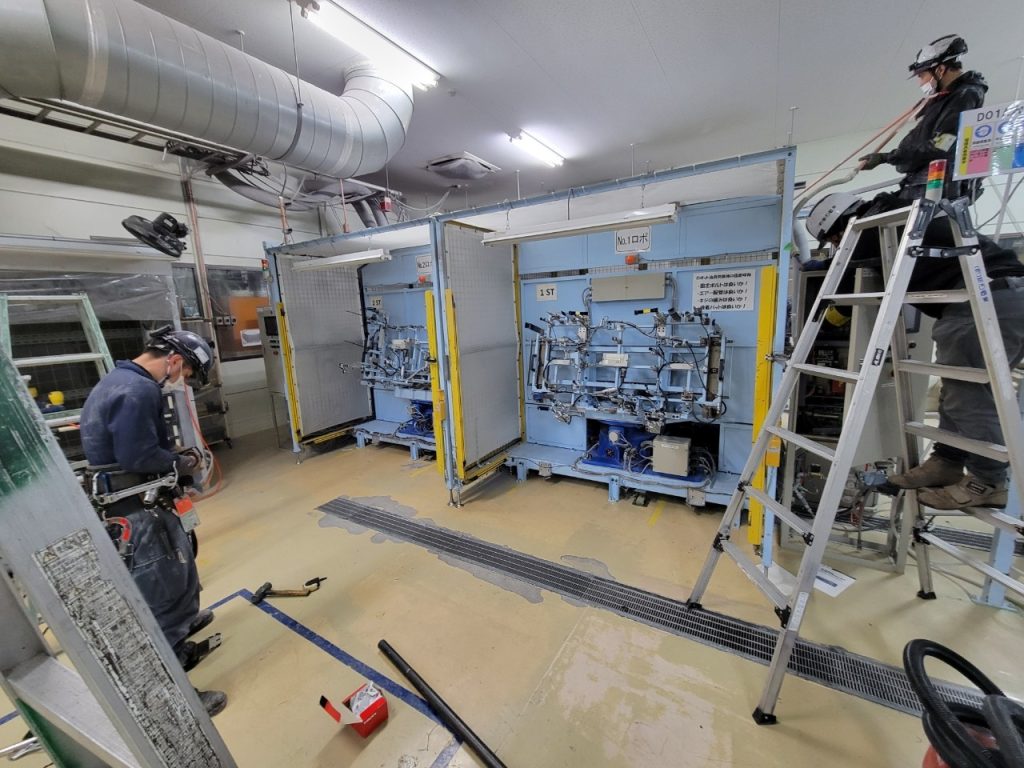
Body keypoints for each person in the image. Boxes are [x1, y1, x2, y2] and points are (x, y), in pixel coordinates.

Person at [805, 193, 1024, 509]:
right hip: (1006, 295)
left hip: (981, 300)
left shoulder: (871, 228)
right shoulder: (899, 215)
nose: (838, 246)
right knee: (962, 390)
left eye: (834, 239)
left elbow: (844, 292)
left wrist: (822, 324)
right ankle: (947, 460)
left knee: (968, 396)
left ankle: (987, 482)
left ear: (841, 223)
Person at [80, 325, 227, 716]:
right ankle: (172, 700)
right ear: (174, 360)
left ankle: (181, 634)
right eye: (186, 373)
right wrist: (181, 461)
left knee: (180, 572)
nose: (182, 380)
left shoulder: (120, 380)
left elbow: (134, 445)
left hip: (137, 502)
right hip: (137, 509)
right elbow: (139, 457)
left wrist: (168, 457)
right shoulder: (139, 389)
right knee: (161, 593)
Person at [858, 34, 987, 204]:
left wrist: (887, 158)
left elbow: (942, 144)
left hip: (936, 186)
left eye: (921, 75)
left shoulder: (966, 94)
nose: (920, 83)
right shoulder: (946, 98)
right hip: (923, 182)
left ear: (940, 70)